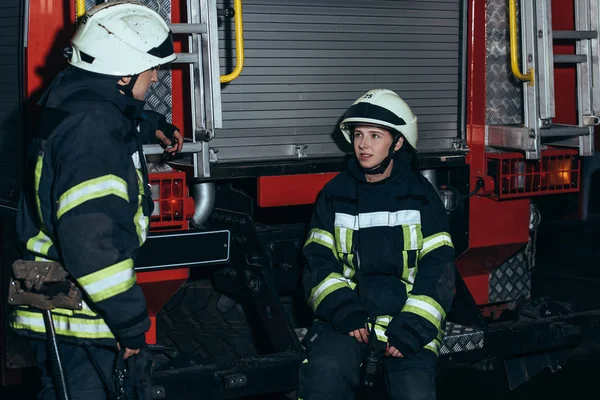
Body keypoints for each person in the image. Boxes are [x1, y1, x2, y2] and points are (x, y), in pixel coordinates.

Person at [10, 1, 182, 398]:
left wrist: (153, 125)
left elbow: (112, 117)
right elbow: (92, 244)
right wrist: (131, 323)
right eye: (151, 67)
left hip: (55, 301)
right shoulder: (92, 131)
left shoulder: (72, 99)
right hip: (78, 313)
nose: (156, 77)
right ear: (122, 75)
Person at [298, 89, 456, 400]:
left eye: (375, 135)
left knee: (415, 394)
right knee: (323, 376)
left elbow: (438, 271)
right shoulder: (335, 194)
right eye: (358, 134)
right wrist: (345, 312)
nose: (363, 145)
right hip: (347, 320)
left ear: (397, 142)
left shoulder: (421, 197)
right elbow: (317, 262)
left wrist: (411, 330)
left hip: (408, 323)